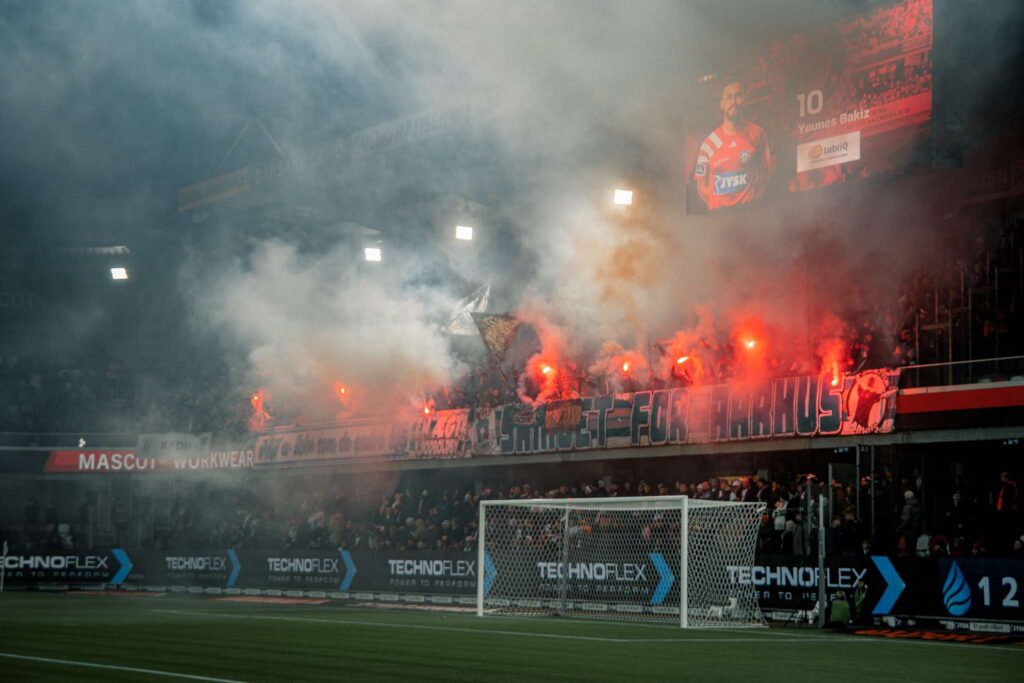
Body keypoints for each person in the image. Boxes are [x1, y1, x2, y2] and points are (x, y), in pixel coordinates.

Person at [693, 80, 773, 211]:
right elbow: (701, 186)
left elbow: (765, 171)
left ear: (744, 100)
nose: (733, 102)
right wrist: (718, 207)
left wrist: (751, 199)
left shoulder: (757, 133)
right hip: (719, 218)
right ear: (722, 104)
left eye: (738, 96)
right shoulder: (709, 144)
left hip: (748, 213)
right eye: (728, 97)